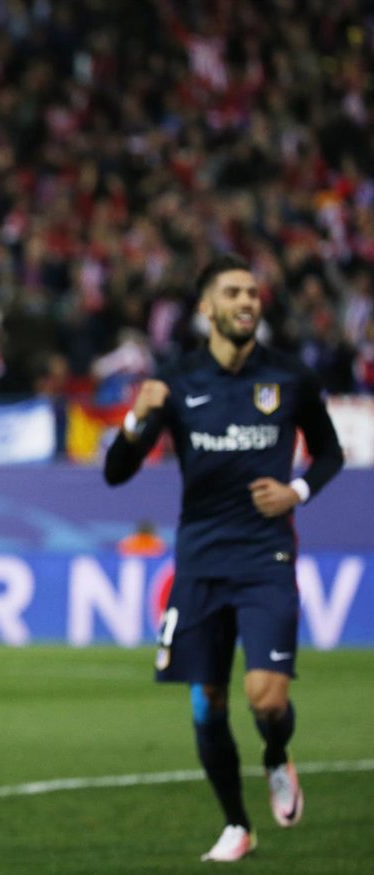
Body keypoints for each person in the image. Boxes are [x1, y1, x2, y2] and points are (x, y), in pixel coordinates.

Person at [104, 253, 344, 863]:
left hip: (266, 557)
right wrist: (137, 418)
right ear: (206, 308)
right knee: (207, 699)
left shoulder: (289, 379)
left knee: (266, 698)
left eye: (254, 294)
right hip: (200, 561)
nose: (248, 302)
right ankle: (238, 825)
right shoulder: (177, 381)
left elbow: (329, 453)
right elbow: (115, 473)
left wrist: (298, 491)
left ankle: (274, 754)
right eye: (234, 293)